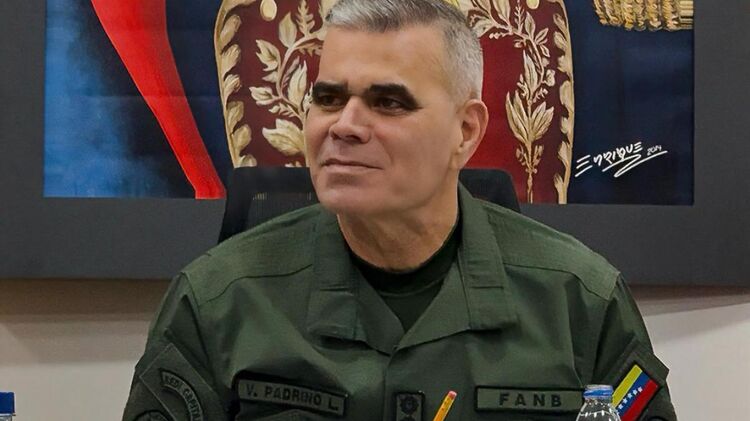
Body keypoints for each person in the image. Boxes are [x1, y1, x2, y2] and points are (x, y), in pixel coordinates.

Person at [122, 0, 677, 420]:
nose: (344, 126)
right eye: (328, 98)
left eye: (388, 102)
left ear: (465, 131)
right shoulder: (218, 301)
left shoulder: (580, 303)